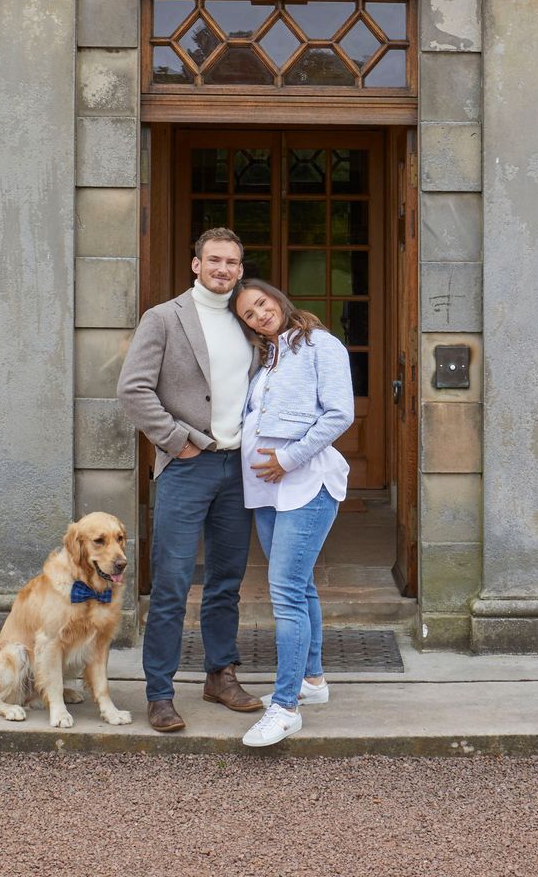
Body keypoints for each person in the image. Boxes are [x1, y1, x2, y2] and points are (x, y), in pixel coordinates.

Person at [117, 228, 262, 732]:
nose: (224, 269)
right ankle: (159, 692)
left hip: (238, 468)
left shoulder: (248, 321)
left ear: (241, 270)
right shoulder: (164, 318)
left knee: (226, 581)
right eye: (214, 260)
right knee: (173, 584)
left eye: (233, 262)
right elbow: (132, 390)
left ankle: (220, 675)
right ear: (195, 264)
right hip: (186, 465)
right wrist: (177, 440)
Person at [230, 278, 354, 747]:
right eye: (248, 314)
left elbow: (340, 414)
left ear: (279, 299)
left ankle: (285, 708)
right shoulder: (269, 359)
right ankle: (313, 681)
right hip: (265, 491)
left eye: (262, 304)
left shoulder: (322, 345)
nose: (259, 315)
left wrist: (288, 458)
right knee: (299, 588)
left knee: (283, 593)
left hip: (305, 482)